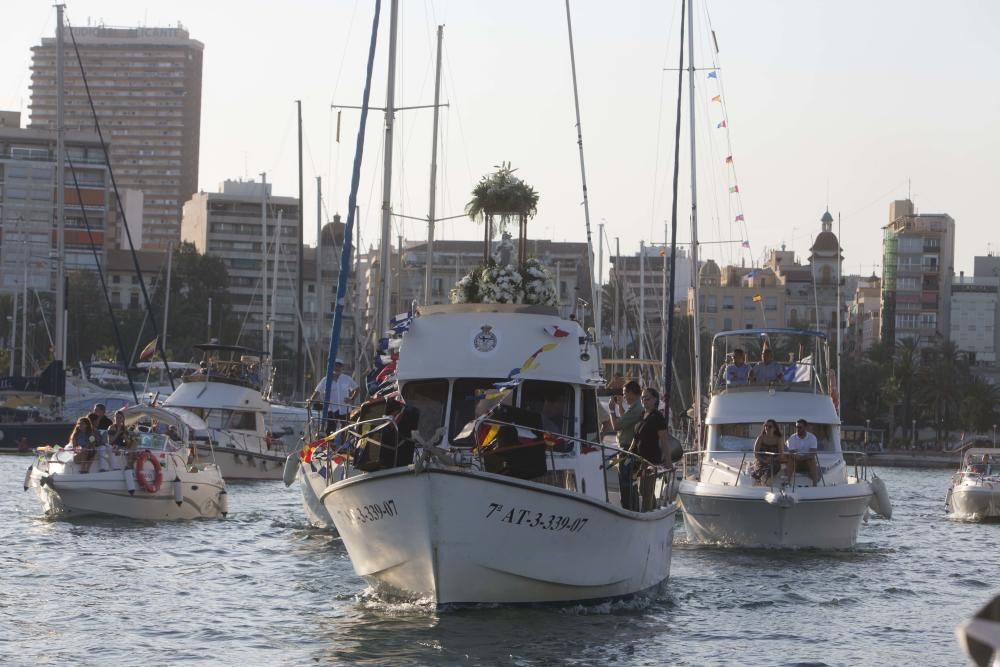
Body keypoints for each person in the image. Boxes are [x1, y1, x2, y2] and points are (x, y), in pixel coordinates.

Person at [629, 387, 670, 511]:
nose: (644, 401)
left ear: (655, 400)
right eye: (642, 398)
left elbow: (664, 441)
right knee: (642, 490)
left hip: (651, 459)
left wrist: (668, 462)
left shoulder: (658, 417)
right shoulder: (642, 415)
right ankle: (652, 510)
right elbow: (636, 436)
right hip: (639, 458)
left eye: (647, 398)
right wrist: (629, 451)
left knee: (646, 491)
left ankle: (647, 514)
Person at [309, 358, 359, 434]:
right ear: (331, 367)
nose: (337, 368)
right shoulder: (325, 380)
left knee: (345, 430)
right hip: (331, 409)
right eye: (335, 366)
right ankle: (330, 445)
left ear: (342, 368)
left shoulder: (347, 379)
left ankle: (344, 444)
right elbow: (317, 392)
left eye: (339, 366)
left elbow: (357, 389)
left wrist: (351, 399)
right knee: (330, 429)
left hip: (344, 409)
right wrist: (310, 402)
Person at [785, 418, 819, 485]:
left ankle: (815, 483)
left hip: (807, 461)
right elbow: (792, 452)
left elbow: (812, 453)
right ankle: (788, 482)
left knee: (812, 459)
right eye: (796, 427)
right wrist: (798, 457)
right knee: (791, 459)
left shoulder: (812, 437)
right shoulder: (792, 438)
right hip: (796, 461)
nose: (797, 429)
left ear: (805, 427)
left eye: (800, 427)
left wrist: (802, 458)